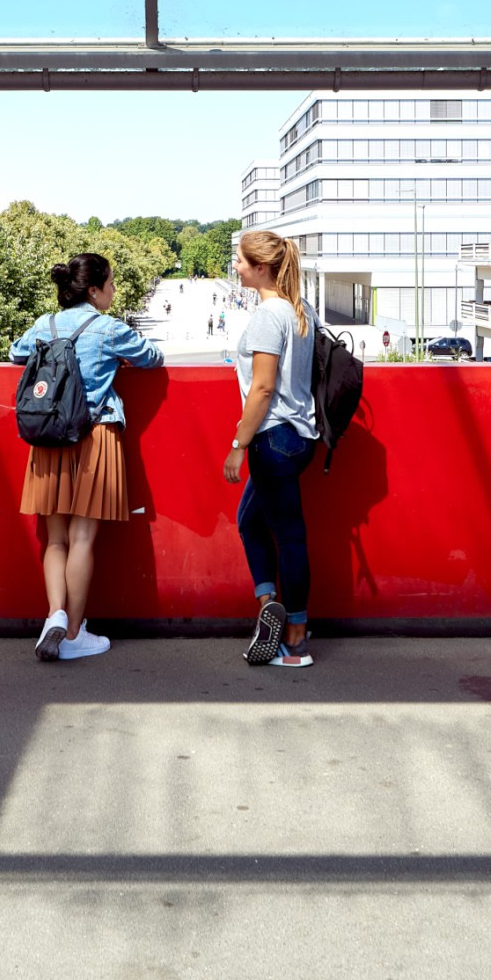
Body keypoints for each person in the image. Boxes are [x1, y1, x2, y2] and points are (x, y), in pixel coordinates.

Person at [11, 252, 164, 662]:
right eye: (111, 283)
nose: (114, 290)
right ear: (94, 290)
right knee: (82, 538)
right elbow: (152, 358)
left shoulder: (47, 324)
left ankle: (54, 617)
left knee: (56, 538)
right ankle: (76, 634)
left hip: (48, 438)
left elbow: (15, 353)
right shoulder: (110, 328)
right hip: (95, 435)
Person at [223, 230, 319, 669]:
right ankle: (269, 606)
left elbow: (261, 388)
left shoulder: (268, 315)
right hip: (301, 438)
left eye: (241, 261)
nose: (237, 267)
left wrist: (238, 445)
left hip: (273, 439)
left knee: (289, 535)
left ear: (261, 267)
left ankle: (295, 637)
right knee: (251, 521)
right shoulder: (303, 311)